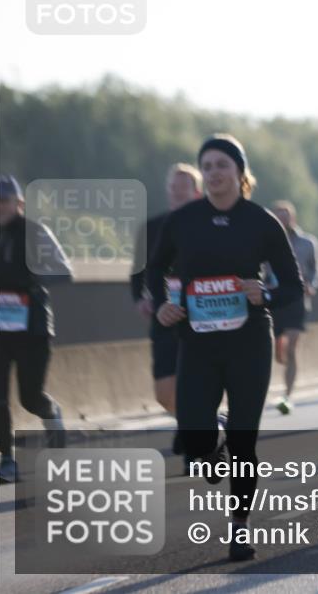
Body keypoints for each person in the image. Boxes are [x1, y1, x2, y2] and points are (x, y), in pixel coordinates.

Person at [148, 134, 304, 562]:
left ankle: (240, 528)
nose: (215, 172)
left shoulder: (261, 222)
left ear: (240, 173)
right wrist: (163, 304)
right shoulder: (183, 221)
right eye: (208, 166)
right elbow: (155, 269)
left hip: (249, 340)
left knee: (245, 440)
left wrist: (264, 293)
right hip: (197, 341)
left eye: (223, 165)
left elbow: (292, 285)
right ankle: (210, 442)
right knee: (196, 441)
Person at [0, 175, 73, 484]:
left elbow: (63, 270)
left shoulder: (34, 232)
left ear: (19, 204)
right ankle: (7, 459)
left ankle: (51, 416)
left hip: (33, 328)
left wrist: (28, 281)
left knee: (30, 397)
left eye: (4, 200)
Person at [130, 163, 203, 466]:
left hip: (201, 316)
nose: (176, 191)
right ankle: (195, 423)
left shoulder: (207, 224)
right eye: (172, 186)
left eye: (182, 187)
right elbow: (139, 271)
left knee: (195, 381)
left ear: (197, 192)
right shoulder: (152, 227)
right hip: (164, 313)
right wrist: (139, 299)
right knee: (163, 392)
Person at [264, 200, 318, 415]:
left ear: (293, 217)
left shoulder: (308, 242)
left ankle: (287, 394)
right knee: (278, 352)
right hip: (274, 298)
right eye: (278, 214)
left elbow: (315, 270)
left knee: (291, 347)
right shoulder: (266, 241)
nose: (283, 217)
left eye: (286, 214)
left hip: (297, 298)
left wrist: (312, 285)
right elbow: (258, 268)